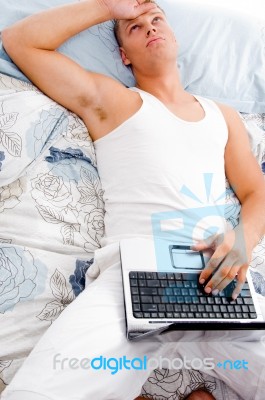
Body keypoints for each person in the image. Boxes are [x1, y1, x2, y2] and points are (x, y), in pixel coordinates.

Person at [1, 1, 265, 399]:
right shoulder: (114, 100)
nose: (150, 27)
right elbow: (20, 42)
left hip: (216, 279)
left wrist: (242, 240)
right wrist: (109, 7)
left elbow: (255, 191)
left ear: (175, 37)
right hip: (132, 279)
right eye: (135, 27)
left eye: (157, 19)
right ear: (124, 55)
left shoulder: (222, 115)